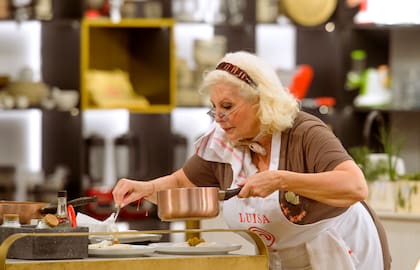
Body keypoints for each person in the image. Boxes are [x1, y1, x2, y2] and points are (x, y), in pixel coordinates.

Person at [112, 51, 391, 270]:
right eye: (215, 109)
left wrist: (281, 179)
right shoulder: (221, 143)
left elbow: (355, 186)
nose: (218, 118)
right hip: (281, 261)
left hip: (341, 255)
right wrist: (146, 189)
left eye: (228, 107)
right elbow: (182, 183)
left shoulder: (304, 132)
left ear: (261, 100)